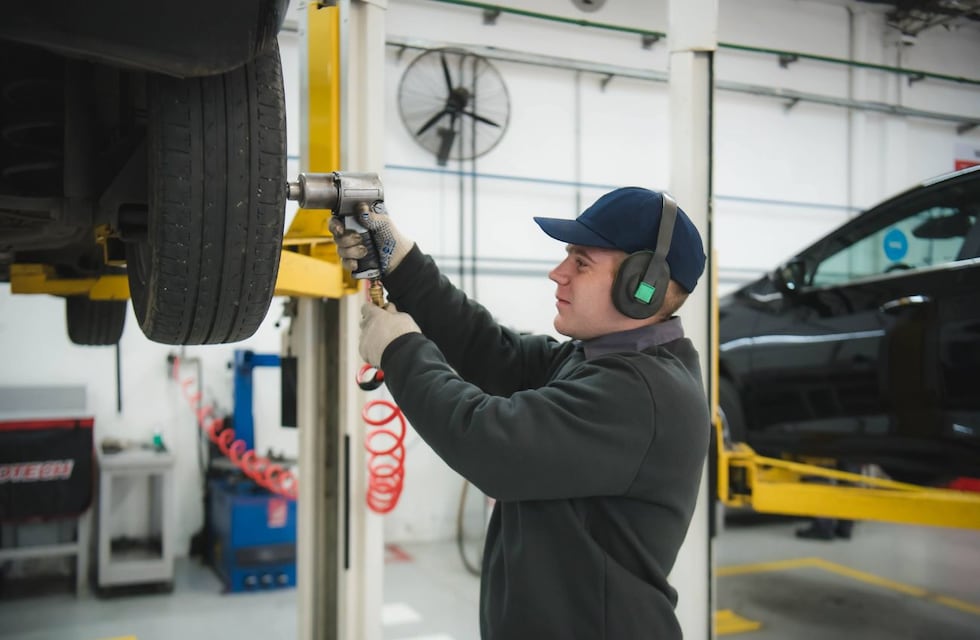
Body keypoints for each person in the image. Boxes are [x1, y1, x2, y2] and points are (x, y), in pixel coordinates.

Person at [329, 187, 710, 639]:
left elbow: (487, 441)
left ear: (641, 287)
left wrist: (398, 350)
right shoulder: (596, 361)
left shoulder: (641, 395)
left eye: (581, 262)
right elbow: (490, 349)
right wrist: (400, 261)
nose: (558, 273)